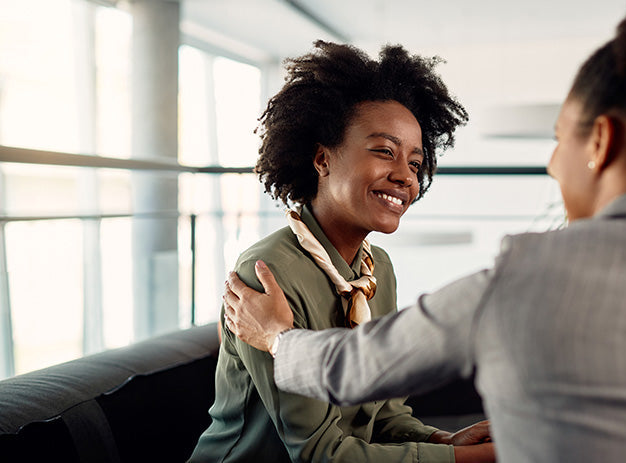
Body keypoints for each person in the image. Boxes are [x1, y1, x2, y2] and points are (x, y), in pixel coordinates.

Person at [221, 0, 626, 461]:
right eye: (385, 153)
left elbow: (353, 369)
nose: (555, 164)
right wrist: (450, 444)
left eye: (561, 139)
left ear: (600, 142)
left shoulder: (525, 277)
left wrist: (275, 338)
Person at [188, 41, 497, 463]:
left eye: (415, 161)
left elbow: (384, 414)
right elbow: (320, 454)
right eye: (385, 151)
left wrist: (444, 442)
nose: (405, 176)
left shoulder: (376, 271)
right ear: (322, 159)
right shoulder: (268, 273)